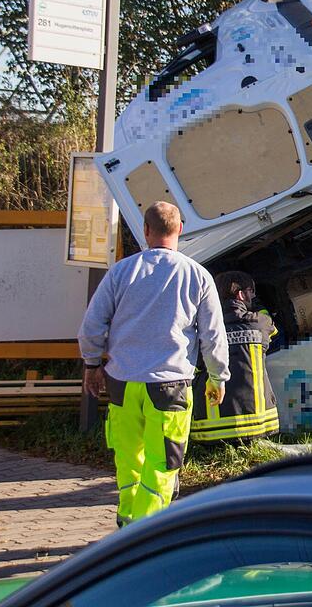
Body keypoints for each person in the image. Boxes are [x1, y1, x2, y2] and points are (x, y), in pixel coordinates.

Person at [78, 201, 229, 528]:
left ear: (146, 231)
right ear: (180, 230)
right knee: (162, 464)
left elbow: (92, 325)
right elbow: (213, 335)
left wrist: (92, 365)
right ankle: (145, 534)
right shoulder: (197, 275)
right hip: (170, 385)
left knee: (129, 459)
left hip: (122, 383)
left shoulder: (121, 271)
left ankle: (126, 522)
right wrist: (218, 377)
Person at [190, 270, 280, 441]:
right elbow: (274, 330)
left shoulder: (201, 327)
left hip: (209, 431)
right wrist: (257, 306)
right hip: (256, 426)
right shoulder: (260, 322)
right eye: (251, 292)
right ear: (241, 295)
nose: (253, 296)